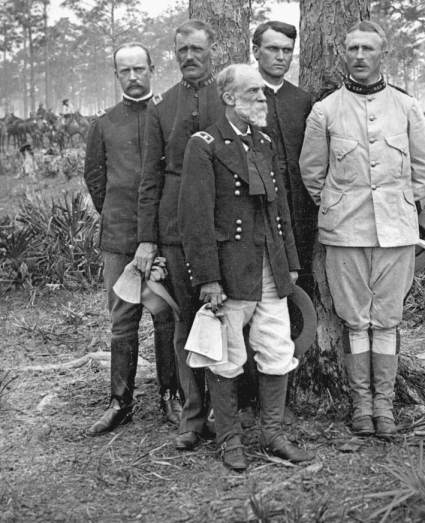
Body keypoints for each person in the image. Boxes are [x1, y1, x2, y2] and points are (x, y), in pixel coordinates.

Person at [299, 21, 425, 439]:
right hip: (345, 232)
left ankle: (386, 405)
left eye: (368, 49)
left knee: (389, 320)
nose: (359, 56)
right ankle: (362, 406)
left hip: (396, 232)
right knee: (355, 322)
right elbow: (312, 172)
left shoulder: (406, 107)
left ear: (384, 55)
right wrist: (338, 205)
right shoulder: (326, 111)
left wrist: (399, 203)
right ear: (343, 52)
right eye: (352, 47)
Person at [178, 63, 314, 471]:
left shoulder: (265, 142)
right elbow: (195, 219)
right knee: (226, 357)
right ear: (229, 98)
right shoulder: (204, 145)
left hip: (269, 267)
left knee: (276, 348)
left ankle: (273, 433)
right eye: (253, 92)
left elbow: (280, 209)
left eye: (263, 92)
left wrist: (290, 262)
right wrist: (208, 279)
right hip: (229, 269)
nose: (262, 98)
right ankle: (229, 437)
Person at [84, 42, 181, 435]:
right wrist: (121, 221)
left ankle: (170, 398)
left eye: (139, 69)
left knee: (165, 315)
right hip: (120, 239)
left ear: (152, 69)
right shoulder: (105, 123)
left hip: (163, 238)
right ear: (116, 75)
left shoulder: (167, 117)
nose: (133, 77)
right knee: (123, 319)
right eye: (125, 71)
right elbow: (96, 179)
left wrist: (155, 235)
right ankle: (119, 402)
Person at [135, 20, 224, 450]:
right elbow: (150, 178)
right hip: (174, 232)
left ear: (212, 51)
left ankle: (227, 413)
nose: (189, 57)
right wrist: (147, 239)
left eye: (196, 49)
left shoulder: (228, 97)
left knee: (228, 320)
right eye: (182, 50)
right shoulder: (161, 106)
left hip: (224, 228)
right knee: (185, 322)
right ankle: (192, 416)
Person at [236, 21, 316, 423]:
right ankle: (248, 398)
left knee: (296, 307)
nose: (280, 57)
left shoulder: (304, 101)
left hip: (298, 224)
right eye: (272, 49)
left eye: (287, 50)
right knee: (253, 310)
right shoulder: (242, 98)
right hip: (253, 225)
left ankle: (287, 395)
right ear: (256, 51)